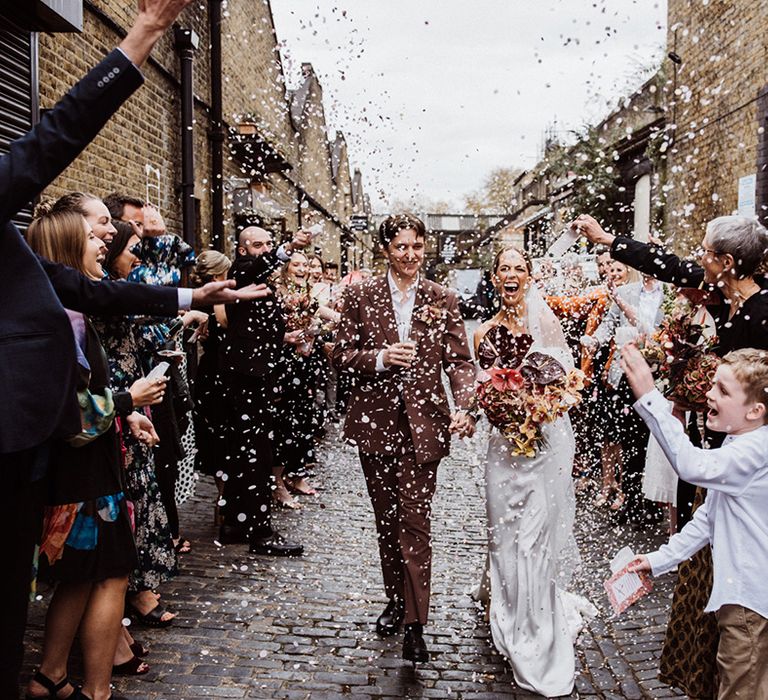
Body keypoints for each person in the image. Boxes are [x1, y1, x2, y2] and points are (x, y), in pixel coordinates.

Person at [0, 1, 271, 694]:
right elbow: (54, 137)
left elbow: (92, 292)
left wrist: (192, 296)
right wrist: (143, 37)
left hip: (23, 443)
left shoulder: (30, 261)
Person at [576, 213, 768, 696]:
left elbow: (694, 466)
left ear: (727, 261)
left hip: (749, 463)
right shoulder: (723, 290)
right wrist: (609, 241)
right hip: (731, 457)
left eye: (705, 252)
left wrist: (649, 392)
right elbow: (670, 266)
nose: (696, 259)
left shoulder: (763, 315)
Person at [24, 207, 163, 700]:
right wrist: (129, 400)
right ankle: (98, 692)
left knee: (80, 578)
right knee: (111, 573)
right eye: (91, 236)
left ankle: (51, 676)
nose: (103, 241)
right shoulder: (69, 320)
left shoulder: (65, 314)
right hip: (80, 470)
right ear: (66, 251)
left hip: (83, 463)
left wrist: (125, 415)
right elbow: (72, 409)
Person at [332, 213, 475, 663]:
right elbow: (339, 352)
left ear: (424, 248)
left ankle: (416, 624)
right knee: (386, 520)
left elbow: (460, 362)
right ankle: (395, 598)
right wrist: (379, 358)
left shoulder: (443, 298)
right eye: (401, 246)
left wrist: (466, 405)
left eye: (416, 246)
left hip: (424, 427)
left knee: (415, 523)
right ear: (385, 249)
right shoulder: (361, 294)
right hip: (375, 425)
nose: (409, 255)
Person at [472, 247, 595, 696]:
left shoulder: (545, 324)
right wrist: (492, 409)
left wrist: (536, 407)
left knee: (534, 534)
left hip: (543, 442)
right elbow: (481, 388)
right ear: (494, 276)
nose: (511, 275)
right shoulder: (483, 332)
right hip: (503, 447)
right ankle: (507, 603)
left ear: (528, 277)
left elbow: (566, 384)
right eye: (503, 268)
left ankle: (536, 624)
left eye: (518, 269)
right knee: (503, 529)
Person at [621, 344, 768, 700]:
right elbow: (707, 519)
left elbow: (690, 465)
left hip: (750, 604)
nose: (708, 393)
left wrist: (649, 397)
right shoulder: (741, 443)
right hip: (744, 598)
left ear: (755, 411)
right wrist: (658, 560)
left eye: (722, 390)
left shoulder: (753, 451)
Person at [218, 226, 309, 556]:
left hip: (255, 374)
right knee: (256, 454)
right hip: (246, 378)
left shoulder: (261, 280)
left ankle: (235, 523)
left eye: (270, 244)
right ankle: (260, 531)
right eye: (258, 245)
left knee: (245, 451)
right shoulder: (242, 270)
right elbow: (255, 267)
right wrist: (286, 248)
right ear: (243, 250)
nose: (266, 250)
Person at [582, 270, 664, 520]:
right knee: (628, 440)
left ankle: (652, 501)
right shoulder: (626, 292)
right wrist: (594, 340)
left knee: (654, 440)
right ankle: (631, 499)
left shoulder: (670, 295)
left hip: (659, 376)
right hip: (626, 372)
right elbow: (609, 323)